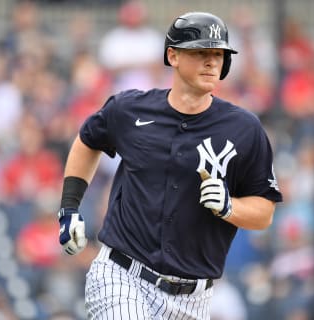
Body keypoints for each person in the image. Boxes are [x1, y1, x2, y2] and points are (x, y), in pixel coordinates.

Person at [57, 11, 283, 319]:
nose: (212, 61)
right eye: (201, 52)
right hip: (122, 276)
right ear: (173, 56)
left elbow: (265, 211)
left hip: (194, 299)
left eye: (218, 54)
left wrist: (231, 207)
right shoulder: (130, 108)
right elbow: (88, 140)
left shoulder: (244, 129)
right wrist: (70, 207)